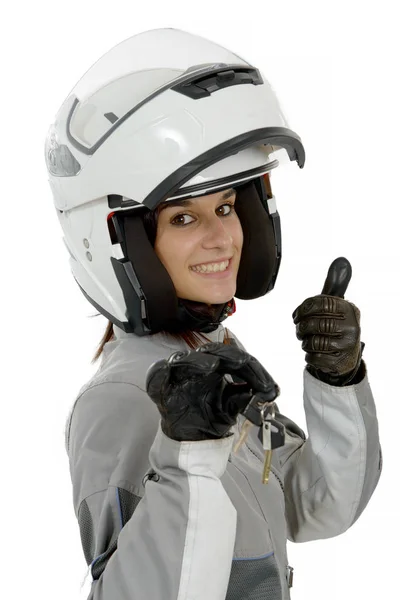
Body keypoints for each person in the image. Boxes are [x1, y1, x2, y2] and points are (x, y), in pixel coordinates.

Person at [45, 28, 382, 600]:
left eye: (226, 206)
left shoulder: (213, 363)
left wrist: (336, 383)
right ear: (124, 244)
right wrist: (190, 452)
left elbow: (314, 506)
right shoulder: (121, 402)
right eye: (183, 218)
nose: (223, 236)